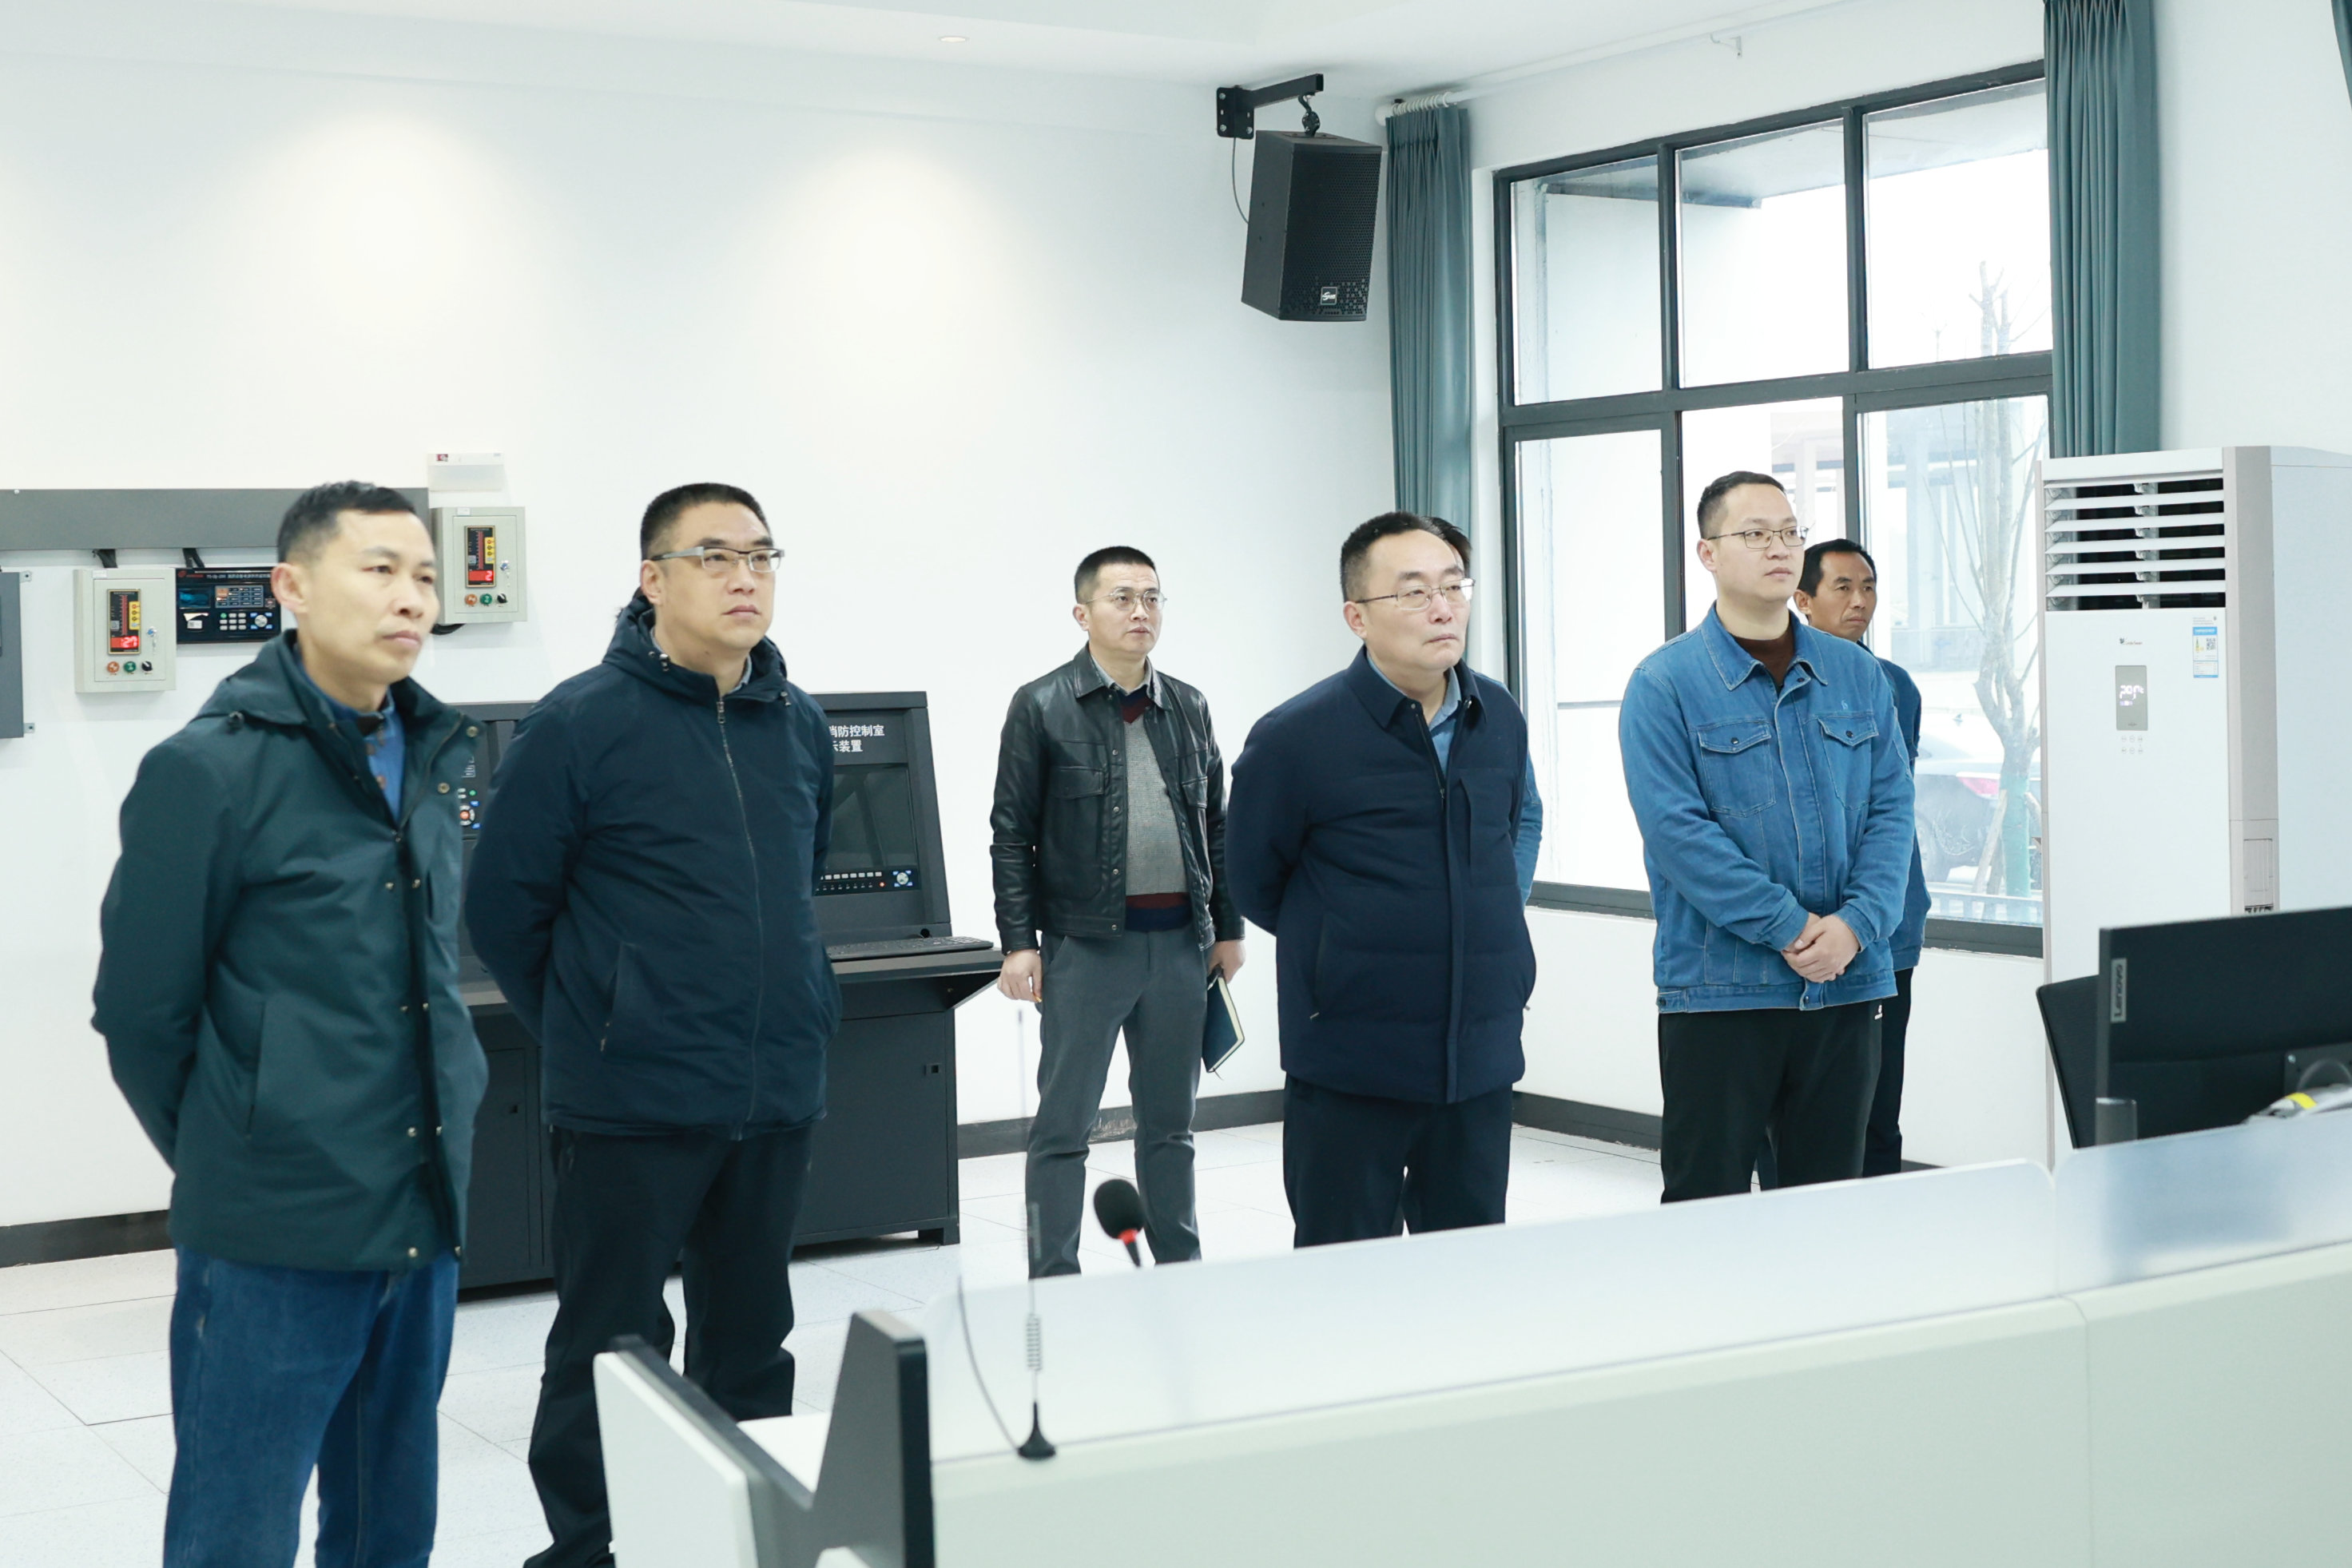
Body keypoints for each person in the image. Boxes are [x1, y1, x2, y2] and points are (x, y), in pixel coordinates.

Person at [93, 481, 487, 1568]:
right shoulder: (209, 768)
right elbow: (140, 1013)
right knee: (238, 1523)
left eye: (425, 575)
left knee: (389, 1519)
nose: (411, 598)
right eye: (380, 570)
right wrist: (240, 1142)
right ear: (292, 588)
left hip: (421, 1205)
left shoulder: (433, 755)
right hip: (274, 1231)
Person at [464, 482, 839, 1568]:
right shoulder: (579, 722)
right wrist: (598, 1025)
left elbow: (799, 880)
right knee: (613, 1346)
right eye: (715, 556)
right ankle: (591, 1548)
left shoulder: (798, 721)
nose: (744, 578)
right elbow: (503, 909)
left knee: (753, 1340)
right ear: (652, 577)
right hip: (631, 1097)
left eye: (761, 556)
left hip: (773, 1085)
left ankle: (742, 1541)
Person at [1226, 511, 1543, 1248]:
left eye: (1454, 586)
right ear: (1357, 617)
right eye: (1414, 592)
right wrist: (1336, 947)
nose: (1443, 607)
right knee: (1345, 1274)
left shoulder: (1496, 713)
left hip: (1479, 1055)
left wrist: (1494, 908)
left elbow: (1518, 819)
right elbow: (1256, 879)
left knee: (1467, 1272)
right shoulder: (1296, 736)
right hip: (1351, 1059)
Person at [1619, 472, 1913, 1203]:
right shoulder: (1664, 683)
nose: (1779, 548)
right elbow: (1679, 836)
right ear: (1708, 553)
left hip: (1846, 982)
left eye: (1788, 532)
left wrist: (1855, 926)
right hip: (1722, 992)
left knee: (1827, 1208)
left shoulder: (1857, 674)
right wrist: (1791, 927)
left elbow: (1892, 813)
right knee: (1707, 1205)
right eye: (1754, 533)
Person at [991, 546, 1246, 1276]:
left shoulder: (1188, 705)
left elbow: (1217, 826)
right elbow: (1011, 831)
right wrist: (1019, 941)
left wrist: (1228, 926)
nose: (1142, 611)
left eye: (1153, 597)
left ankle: (1180, 1269)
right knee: (1063, 1126)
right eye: (1123, 597)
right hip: (1086, 947)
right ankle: (1055, 1278)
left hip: (1180, 946)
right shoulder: (1042, 704)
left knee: (1171, 1126)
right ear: (1083, 613)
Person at [1794, 538, 1929, 1177]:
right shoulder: (1779, 680)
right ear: (1803, 599)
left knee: (1879, 1101)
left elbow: (1890, 806)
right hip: (1799, 930)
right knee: (1795, 1112)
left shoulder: (1895, 685)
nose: (1860, 600)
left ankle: (1882, 1221)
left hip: (1885, 927)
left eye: (1868, 586)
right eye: (1843, 587)